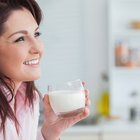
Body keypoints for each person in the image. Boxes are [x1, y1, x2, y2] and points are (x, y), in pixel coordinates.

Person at [0, 0, 90, 140]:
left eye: (36, 34)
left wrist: (50, 132)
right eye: (20, 39)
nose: (37, 48)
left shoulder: (29, 99)